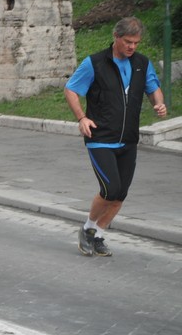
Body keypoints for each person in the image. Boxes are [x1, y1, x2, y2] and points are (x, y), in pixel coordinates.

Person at [64, 16, 167, 257]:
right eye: (128, 42)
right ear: (116, 37)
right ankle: (88, 228)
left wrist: (159, 104)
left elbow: (153, 89)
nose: (132, 47)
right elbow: (71, 89)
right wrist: (82, 118)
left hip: (128, 139)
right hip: (100, 137)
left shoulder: (142, 63)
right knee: (110, 188)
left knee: (121, 193)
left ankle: (97, 234)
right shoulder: (95, 63)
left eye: (136, 43)